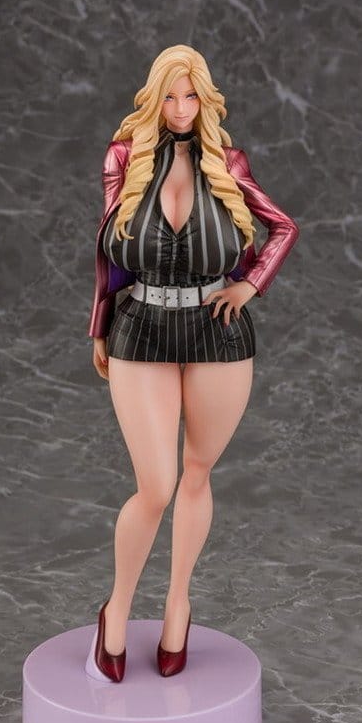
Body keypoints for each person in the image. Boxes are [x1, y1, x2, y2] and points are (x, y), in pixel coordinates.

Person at [85, 44, 299, 683]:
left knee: (197, 473)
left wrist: (251, 284)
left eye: (191, 96)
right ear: (155, 99)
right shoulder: (125, 158)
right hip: (142, 326)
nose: (181, 109)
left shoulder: (228, 163)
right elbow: (105, 252)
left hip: (217, 331)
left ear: (205, 100)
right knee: (156, 485)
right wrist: (98, 324)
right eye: (170, 96)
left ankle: (178, 603)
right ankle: (116, 609)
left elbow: (283, 227)